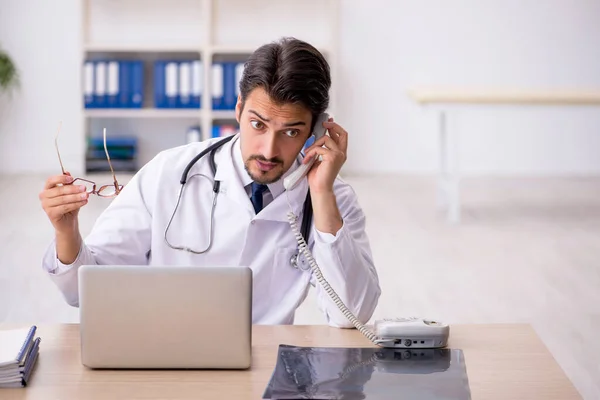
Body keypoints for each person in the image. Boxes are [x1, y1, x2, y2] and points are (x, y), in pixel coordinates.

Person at [39, 37, 381, 328]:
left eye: (291, 132)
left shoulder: (331, 199)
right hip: (169, 356)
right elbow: (83, 291)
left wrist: (321, 194)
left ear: (317, 131)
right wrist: (66, 234)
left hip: (269, 369)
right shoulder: (169, 173)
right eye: (258, 124)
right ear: (238, 110)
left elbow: (351, 315)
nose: (268, 150)